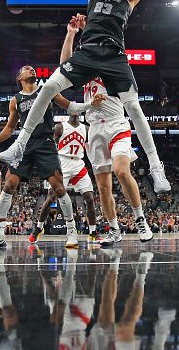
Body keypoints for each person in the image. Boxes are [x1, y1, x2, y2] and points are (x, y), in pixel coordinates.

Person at [0, 0, 171, 194]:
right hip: (87, 51)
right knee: (48, 88)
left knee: (134, 108)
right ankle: (20, 144)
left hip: (114, 54)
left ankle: (155, 168)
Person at [0, 65, 103, 250]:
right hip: (25, 143)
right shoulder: (15, 100)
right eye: (26, 69)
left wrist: (89, 105)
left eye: (32, 68)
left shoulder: (48, 90)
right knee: (8, 185)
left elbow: (70, 106)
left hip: (46, 143)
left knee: (58, 187)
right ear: (19, 77)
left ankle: (71, 232)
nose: (31, 70)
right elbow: (10, 127)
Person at [63, 19, 154, 247]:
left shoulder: (114, 64)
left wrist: (92, 30)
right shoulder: (85, 72)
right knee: (103, 186)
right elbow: (65, 66)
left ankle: (141, 220)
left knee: (121, 171)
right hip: (94, 129)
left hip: (116, 124)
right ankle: (114, 230)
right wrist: (72, 34)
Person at [29, 112, 100, 244]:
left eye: (77, 108)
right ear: (68, 111)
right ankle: (39, 228)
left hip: (78, 162)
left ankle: (93, 232)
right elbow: (51, 146)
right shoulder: (60, 127)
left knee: (89, 198)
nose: (75, 110)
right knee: (50, 197)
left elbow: (93, 145)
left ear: (80, 112)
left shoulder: (86, 128)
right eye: (72, 108)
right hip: (62, 162)